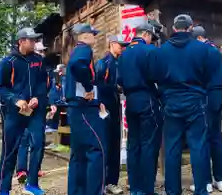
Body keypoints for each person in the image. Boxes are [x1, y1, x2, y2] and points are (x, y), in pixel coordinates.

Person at [153, 15, 214, 195]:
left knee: (172, 148)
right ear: (190, 28)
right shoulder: (202, 49)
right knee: (198, 146)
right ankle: (201, 189)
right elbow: (209, 77)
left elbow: (157, 77)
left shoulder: (162, 51)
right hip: (195, 101)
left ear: (174, 28)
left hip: (171, 102)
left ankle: (172, 191)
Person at [0, 27, 49, 195]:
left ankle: (32, 184)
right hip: (14, 112)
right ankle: (3, 188)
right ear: (21, 41)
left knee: (38, 144)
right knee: (10, 149)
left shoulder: (39, 61)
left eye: (35, 40)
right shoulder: (8, 62)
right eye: (31, 40)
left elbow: (44, 83)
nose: (34, 42)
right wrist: (15, 100)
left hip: (35, 111)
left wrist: (38, 97)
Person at [118, 22, 161, 195]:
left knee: (133, 144)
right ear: (146, 35)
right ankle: (147, 188)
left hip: (130, 100)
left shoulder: (124, 54)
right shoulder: (150, 51)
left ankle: (135, 188)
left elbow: (119, 80)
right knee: (149, 144)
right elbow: (156, 76)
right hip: (147, 98)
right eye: (151, 37)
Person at [65, 23, 107, 195]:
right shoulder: (83, 50)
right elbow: (77, 65)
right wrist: (89, 86)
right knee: (96, 149)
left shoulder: (76, 50)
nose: (95, 38)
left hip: (76, 109)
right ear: (85, 36)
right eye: (93, 34)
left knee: (78, 154)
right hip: (84, 108)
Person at [191, 25, 222, 193]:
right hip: (217, 95)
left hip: (204, 96)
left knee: (203, 138)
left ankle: (205, 181)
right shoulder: (216, 51)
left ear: (198, 39)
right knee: (217, 137)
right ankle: (221, 179)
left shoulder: (201, 52)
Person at [16, 41, 54, 184]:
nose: (41, 54)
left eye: (42, 52)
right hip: (25, 107)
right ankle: (21, 170)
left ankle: (35, 168)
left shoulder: (45, 69)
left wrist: (50, 104)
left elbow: (47, 89)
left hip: (40, 108)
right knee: (24, 140)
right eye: (38, 51)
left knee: (38, 141)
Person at [96, 35, 128, 195]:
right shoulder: (103, 63)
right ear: (112, 44)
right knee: (105, 145)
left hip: (116, 108)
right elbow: (97, 85)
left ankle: (112, 182)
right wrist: (113, 88)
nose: (123, 48)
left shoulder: (120, 63)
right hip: (104, 109)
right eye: (120, 45)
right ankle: (101, 181)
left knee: (115, 145)